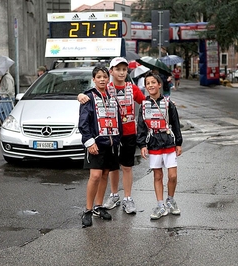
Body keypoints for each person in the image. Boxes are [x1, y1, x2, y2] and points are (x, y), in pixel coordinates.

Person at [78, 57, 146, 214]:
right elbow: (90, 94)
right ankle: (114, 195)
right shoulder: (106, 87)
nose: (121, 72)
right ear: (111, 71)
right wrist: (79, 95)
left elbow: (145, 102)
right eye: (118, 69)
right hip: (109, 136)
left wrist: (167, 104)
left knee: (126, 167)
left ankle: (127, 198)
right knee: (111, 168)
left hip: (128, 133)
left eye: (124, 69)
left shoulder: (132, 88)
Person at [79, 66, 122, 228]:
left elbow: (118, 119)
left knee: (105, 174)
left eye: (104, 76)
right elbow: (83, 123)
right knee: (95, 175)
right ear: (94, 79)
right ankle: (88, 210)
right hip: (96, 144)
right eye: (99, 77)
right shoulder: (88, 98)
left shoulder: (112, 97)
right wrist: (89, 142)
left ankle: (99, 206)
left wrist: (117, 140)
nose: (102, 79)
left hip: (111, 144)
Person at [136, 71, 183, 220]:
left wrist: (179, 143)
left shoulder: (168, 103)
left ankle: (171, 200)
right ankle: (160, 205)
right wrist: (142, 144)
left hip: (168, 142)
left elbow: (175, 124)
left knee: (172, 175)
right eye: (147, 83)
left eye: (153, 82)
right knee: (157, 175)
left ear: (159, 84)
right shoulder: (144, 105)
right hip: (154, 143)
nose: (150, 85)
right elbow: (141, 126)